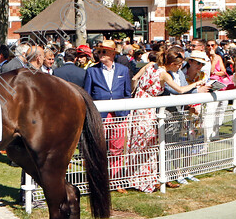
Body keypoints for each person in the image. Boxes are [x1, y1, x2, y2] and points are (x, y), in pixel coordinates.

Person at [128, 48, 206, 192]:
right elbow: (181, 90)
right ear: (171, 63)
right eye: (177, 65)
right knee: (148, 144)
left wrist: (138, 93)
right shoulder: (164, 74)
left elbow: (134, 79)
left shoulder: (149, 66)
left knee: (137, 143)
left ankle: (136, 177)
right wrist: (196, 84)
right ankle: (145, 180)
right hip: (149, 108)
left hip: (138, 105)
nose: (178, 68)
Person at [84, 40, 132, 187]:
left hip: (118, 116)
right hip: (100, 116)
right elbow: (86, 94)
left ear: (112, 53)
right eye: (99, 52)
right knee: (98, 148)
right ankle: (97, 179)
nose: (100, 54)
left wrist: (125, 112)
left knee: (117, 149)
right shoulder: (92, 71)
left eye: (104, 51)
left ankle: (115, 180)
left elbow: (127, 93)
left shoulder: (123, 71)